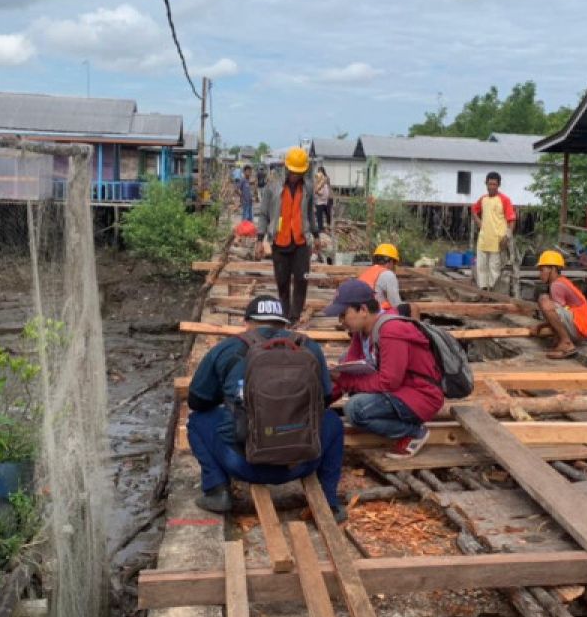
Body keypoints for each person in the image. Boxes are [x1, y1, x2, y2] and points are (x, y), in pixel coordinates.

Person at [185, 295, 345, 517]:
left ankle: (217, 490)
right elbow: (325, 399)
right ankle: (329, 503)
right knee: (333, 422)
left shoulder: (227, 349)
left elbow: (197, 401)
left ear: (247, 323)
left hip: (243, 464)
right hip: (302, 461)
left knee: (196, 420)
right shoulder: (309, 347)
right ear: (284, 324)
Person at [325, 279, 443, 459]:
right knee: (343, 361)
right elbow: (348, 369)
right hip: (401, 390)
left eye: (343, 314)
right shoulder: (361, 332)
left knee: (355, 409)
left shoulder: (391, 331)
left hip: (420, 395)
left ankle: (414, 432)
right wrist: (324, 400)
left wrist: (343, 380)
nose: (341, 321)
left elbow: (388, 381)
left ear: (363, 310)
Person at [257, 147, 318, 325]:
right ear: (287, 168)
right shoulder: (273, 188)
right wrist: (260, 239)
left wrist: (316, 234)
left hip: (301, 242)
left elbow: (310, 213)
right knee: (282, 282)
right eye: (293, 172)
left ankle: (295, 316)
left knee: (301, 280)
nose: (296, 176)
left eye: (300, 173)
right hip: (280, 242)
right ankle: (284, 315)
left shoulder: (307, 188)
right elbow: (263, 214)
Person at [528, 250, 587, 359]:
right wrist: (542, 325)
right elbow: (558, 315)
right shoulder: (561, 282)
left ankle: (566, 343)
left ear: (553, 269)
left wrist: (543, 325)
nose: (540, 274)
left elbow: (554, 313)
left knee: (544, 300)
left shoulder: (556, 285)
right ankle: (562, 341)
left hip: (579, 325)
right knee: (547, 302)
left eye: (542, 270)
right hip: (581, 328)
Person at [471, 171, 516, 291]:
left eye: (494, 184)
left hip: (498, 240)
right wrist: (479, 222)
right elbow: (474, 210)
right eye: (489, 184)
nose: (491, 187)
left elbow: (511, 220)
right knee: (481, 266)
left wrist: (507, 236)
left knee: (494, 268)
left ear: (499, 185)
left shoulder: (505, 200)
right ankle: (483, 290)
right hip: (483, 239)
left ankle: (492, 290)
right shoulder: (483, 199)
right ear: (486, 184)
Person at [358, 243, 419, 318]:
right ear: (390, 262)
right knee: (413, 308)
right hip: (377, 314)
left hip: (363, 313)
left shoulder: (367, 272)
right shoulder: (388, 274)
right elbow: (396, 303)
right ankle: (412, 329)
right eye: (394, 263)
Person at [314, 166, 332, 232]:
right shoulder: (317, 180)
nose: (320, 173)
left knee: (328, 214)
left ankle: (328, 226)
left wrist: (330, 195)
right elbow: (316, 190)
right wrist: (317, 191)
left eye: (321, 172)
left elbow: (328, 186)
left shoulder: (326, 179)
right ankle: (320, 228)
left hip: (326, 200)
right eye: (319, 172)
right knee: (319, 215)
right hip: (319, 201)